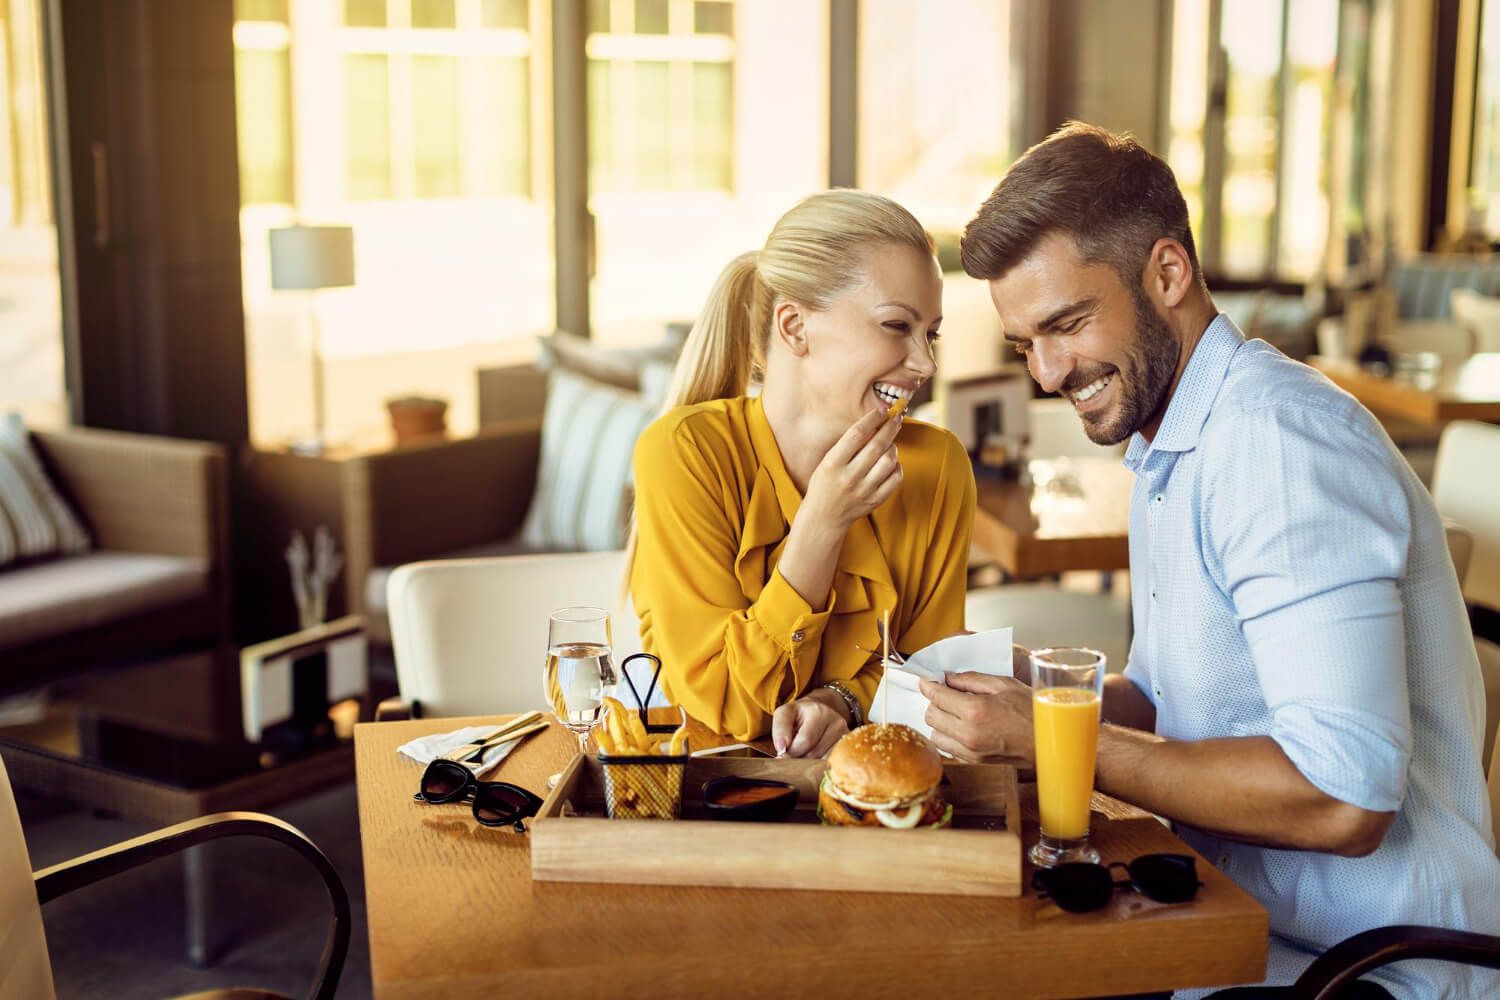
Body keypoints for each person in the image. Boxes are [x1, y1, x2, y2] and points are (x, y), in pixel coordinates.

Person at [928, 122, 1500, 998]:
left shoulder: (1275, 446)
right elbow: (1166, 702)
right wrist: (1023, 691)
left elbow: (1343, 798)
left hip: (1367, 972)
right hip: (1242, 933)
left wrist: (1058, 737)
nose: (1046, 372)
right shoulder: (1175, 441)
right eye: (1024, 345)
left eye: (1067, 325)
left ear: (1167, 273)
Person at [629, 190, 975, 758]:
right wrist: (821, 523)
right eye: (896, 325)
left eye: (930, 333)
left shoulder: (936, 467)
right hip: (709, 805)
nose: (925, 363)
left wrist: (842, 702)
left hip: (880, 805)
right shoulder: (684, 453)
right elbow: (735, 710)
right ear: (794, 326)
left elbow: (933, 679)